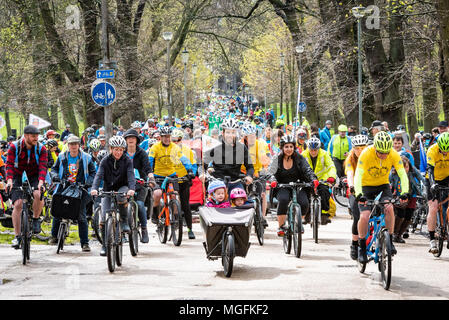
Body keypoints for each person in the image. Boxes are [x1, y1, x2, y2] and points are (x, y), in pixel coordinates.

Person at [354, 131, 409, 263]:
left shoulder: (394, 154)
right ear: (375, 148)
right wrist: (358, 194)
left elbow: (402, 174)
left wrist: (405, 192)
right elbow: (358, 175)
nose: (384, 155)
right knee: (365, 216)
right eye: (381, 153)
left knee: (389, 209)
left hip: (383, 186)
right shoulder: (366, 153)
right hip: (366, 187)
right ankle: (361, 247)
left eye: (386, 152)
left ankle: (389, 240)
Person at [49, 136, 97, 252]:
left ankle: (84, 243)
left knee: (81, 215)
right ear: (68, 146)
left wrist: (88, 183)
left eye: (76, 144)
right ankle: (54, 236)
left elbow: (93, 172)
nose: (74, 146)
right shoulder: (61, 157)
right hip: (63, 186)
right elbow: (54, 170)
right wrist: (55, 177)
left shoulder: (86, 158)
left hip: (81, 188)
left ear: (79, 145)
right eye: (71, 144)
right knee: (57, 209)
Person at [91, 136, 136, 256]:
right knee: (104, 218)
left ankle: (125, 221)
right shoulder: (105, 160)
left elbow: (131, 175)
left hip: (123, 187)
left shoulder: (127, 160)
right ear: (111, 149)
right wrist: (94, 189)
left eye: (121, 150)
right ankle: (105, 246)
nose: (118, 152)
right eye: (116, 149)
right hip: (108, 189)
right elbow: (98, 175)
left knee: (121, 197)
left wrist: (131, 189)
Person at [6, 125, 48, 249]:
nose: (36, 138)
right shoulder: (14, 147)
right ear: (25, 136)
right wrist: (9, 181)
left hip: (34, 175)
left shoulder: (42, 149)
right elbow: (9, 164)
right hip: (17, 175)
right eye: (33, 136)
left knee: (37, 194)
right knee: (18, 204)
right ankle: (17, 236)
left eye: (37, 136)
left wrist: (41, 183)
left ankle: (35, 219)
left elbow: (43, 166)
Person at [268, 135, 319, 236]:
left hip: (299, 184)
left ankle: (299, 221)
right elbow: (271, 172)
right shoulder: (277, 158)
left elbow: (307, 169)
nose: (289, 149)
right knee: (283, 200)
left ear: (294, 147)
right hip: (282, 185)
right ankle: (281, 226)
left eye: (291, 147)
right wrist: (273, 180)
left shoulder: (299, 158)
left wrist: (313, 179)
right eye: (286, 147)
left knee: (304, 203)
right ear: (282, 147)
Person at [148, 127, 194, 224]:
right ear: (160, 137)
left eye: (168, 136)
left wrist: (189, 170)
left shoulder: (174, 147)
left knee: (174, 196)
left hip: (171, 175)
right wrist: (150, 174)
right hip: (158, 175)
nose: (167, 139)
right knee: (157, 194)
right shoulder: (155, 147)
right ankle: (155, 214)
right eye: (164, 137)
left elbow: (184, 159)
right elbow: (150, 161)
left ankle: (176, 217)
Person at [201, 118, 254, 194]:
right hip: (217, 182)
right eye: (228, 132)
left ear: (236, 133)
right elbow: (203, 164)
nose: (230, 135)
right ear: (223, 133)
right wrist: (202, 174)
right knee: (215, 201)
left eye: (233, 132)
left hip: (235, 182)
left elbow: (250, 166)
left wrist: (249, 176)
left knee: (242, 200)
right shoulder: (215, 146)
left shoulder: (242, 147)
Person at [123, 129, 153, 244]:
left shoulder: (142, 153)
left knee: (140, 204)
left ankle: (144, 229)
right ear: (125, 140)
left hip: (140, 183)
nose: (130, 140)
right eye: (128, 138)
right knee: (121, 204)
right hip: (125, 183)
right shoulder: (122, 152)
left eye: (133, 138)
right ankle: (122, 228)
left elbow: (147, 168)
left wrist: (151, 178)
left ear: (137, 140)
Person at [344, 134, 369, 260]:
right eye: (357, 148)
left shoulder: (370, 156)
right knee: (357, 216)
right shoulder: (350, 159)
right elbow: (350, 173)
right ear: (353, 149)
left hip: (369, 187)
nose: (360, 151)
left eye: (363, 148)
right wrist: (352, 186)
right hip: (355, 190)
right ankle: (354, 244)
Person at [390, 156, 425, 243]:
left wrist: (427, 187)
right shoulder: (393, 173)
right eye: (402, 167)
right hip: (399, 196)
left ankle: (399, 235)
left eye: (406, 167)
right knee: (400, 214)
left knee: (409, 216)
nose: (405, 169)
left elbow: (422, 178)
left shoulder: (413, 171)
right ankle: (394, 233)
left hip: (411, 195)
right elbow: (388, 183)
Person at [301, 137, 337, 225]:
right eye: (311, 150)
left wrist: (331, 177)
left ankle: (324, 213)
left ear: (319, 149)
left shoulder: (324, 154)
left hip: (322, 179)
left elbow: (331, 167)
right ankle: (307, 214)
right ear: (308, 148)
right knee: (305, 194)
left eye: (315, 150)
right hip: (308, 180)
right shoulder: (303, 155)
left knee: (324, 191)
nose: (313, 152)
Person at [171, 129, 197, 240]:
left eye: (178, 140)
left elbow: (194, 164)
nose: (176, 142)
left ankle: (190, 229)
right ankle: (172, 222)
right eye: (174, 140)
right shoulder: (168, 150)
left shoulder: (188, 151)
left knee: (186, 205)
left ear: (182, 140)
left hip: (185, 179)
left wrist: (192, 174)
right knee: (172, 201)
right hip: (173, 178)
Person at [425, 132, 449, 254]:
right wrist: (433, 183)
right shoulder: (432, 150)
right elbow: (430, 169)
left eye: (447, 151)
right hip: (432, 178)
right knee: (433, 208)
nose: (445, 153)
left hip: (446, 178)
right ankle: (432, 240)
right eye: (442, 150)